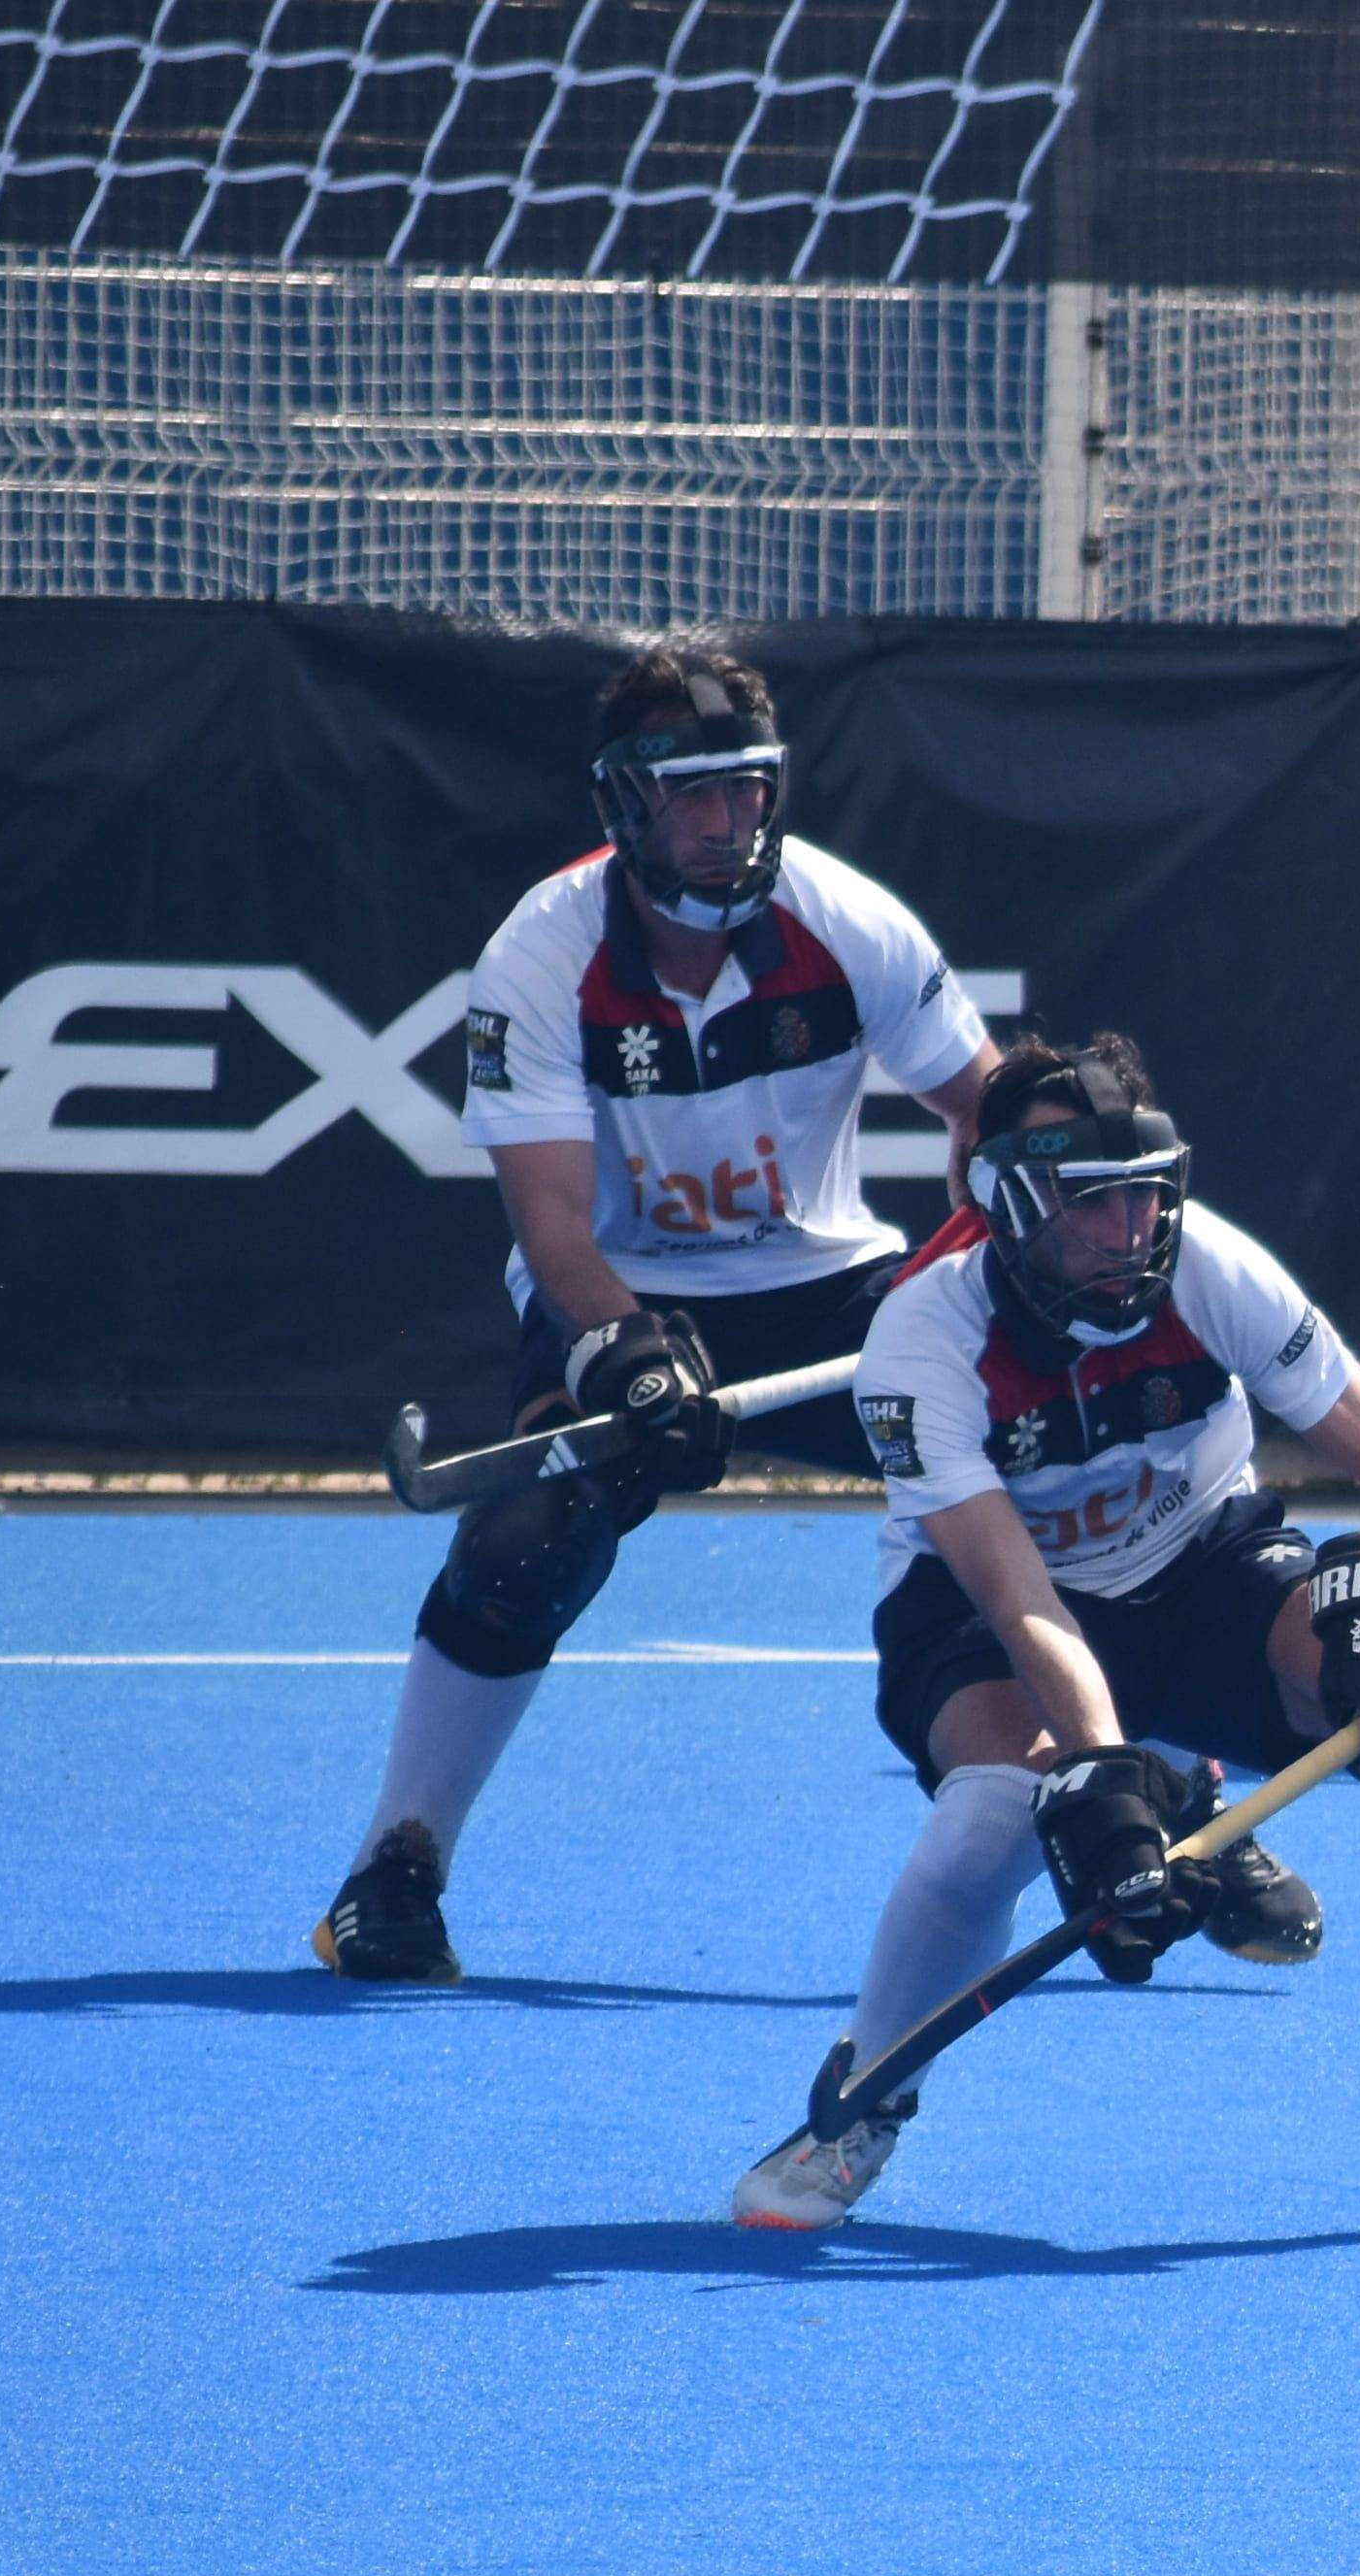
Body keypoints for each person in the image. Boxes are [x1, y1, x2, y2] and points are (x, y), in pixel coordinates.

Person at [731, 1030, 1360, 2230]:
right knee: (997, 1806)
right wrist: (1094, 1770)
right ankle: (869, 2092)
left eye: (1147, 1196)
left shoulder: (1211, 1270)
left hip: (1203, 1564)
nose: (1133, 1230)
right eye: (1095, 1208)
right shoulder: (921, 1340)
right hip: (990, 1607)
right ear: (1008, 1207)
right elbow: (1015, 1596)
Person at [316, 638, 1001, 1983]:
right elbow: (554, 1229)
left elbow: (978, 1106)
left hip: (831, 1286)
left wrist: (986, 1278)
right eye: (689, 796)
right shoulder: (543, 952)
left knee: (1042, 1466)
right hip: (624, 1294)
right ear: (623, 805)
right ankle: (393, 1870)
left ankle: (1167, 1793)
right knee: (527, 1536)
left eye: (744, 791)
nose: (723, 823)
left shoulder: (851, 922)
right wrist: (624, 1354)